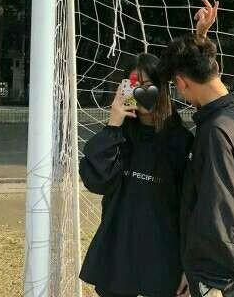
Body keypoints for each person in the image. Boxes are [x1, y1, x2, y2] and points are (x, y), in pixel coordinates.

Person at [159, 0, 234, 297]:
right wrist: (200, 38)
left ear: (181, 82)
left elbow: (219, 213)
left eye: (177, 86)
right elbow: (206, 73)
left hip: (218, 276)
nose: (180, 94)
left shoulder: (215, 133)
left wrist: (206, 281)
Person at [79, 53, 193, 297]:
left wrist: (189, 265)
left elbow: (192, 207)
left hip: (164, 255)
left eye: (147, 85)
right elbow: (97, 182)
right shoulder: (118, 136)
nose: (140, 92)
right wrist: (113, 124)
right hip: (120, 249)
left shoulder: (181, 141)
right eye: (133, 85)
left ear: (162, 88)